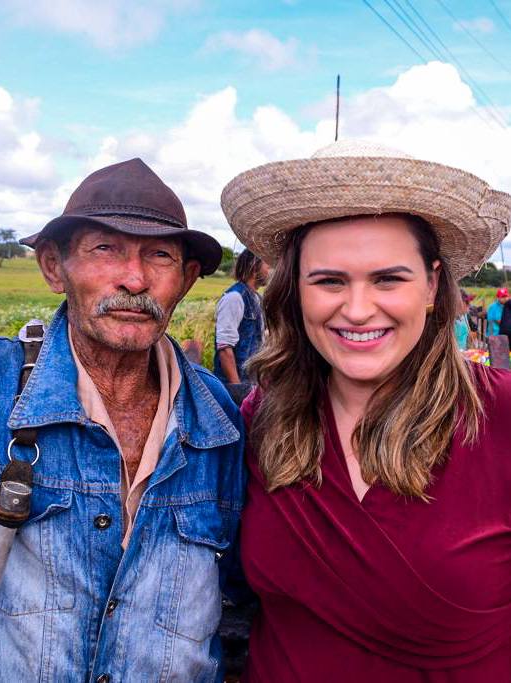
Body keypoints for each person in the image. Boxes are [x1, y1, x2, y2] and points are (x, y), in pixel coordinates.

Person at [220, 140, 511, 682]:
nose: (356, 309)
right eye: (329, 280)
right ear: (295, 291)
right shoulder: (261, 420)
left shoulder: (501, 416)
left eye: (387, 279)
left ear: (431, 284)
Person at [0, 158, 245, 681]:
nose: (135, 279)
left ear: (184, 280)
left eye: (159, 256)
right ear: (54, 267)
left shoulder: (219, 420)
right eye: (105, 249)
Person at [213, 249, 269, 403]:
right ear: (253, 266)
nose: (269, 270)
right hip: (233, 390)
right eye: (267, 265)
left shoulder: (257, 298)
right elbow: (225, 347)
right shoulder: (234, 298)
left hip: (250, 385)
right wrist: (238, 390)